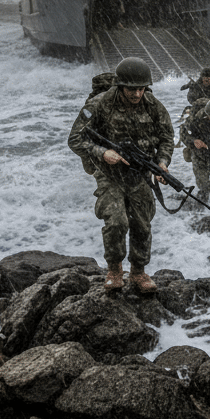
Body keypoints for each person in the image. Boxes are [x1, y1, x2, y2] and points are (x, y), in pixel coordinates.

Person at [68, 56, 175, 294]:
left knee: (142, 223)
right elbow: (75, 139)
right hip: (110, 173)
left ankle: (138, 272)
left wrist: (163, 162)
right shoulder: (99, 104)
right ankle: (115, 270)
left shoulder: (153, 105)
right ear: (120, 85)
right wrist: (103, 152)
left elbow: (167, 137)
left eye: (141, 88)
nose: (137, 94)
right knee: (116, 221)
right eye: (131, 89)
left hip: (139, 174)